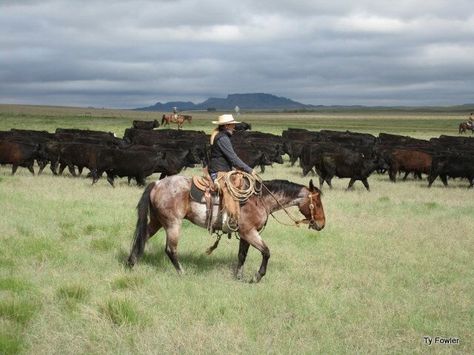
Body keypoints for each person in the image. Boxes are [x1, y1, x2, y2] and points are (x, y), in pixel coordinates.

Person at [207, 114, 257, 232]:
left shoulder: (222, 136)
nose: (234, 127)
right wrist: (249, 170)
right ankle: (227, 220)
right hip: (219, 170)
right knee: (230, 189)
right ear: (226, 126)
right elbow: (233, 158)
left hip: (222, 168)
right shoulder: (223, 138)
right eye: (232, 124)